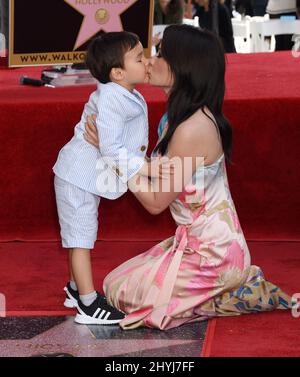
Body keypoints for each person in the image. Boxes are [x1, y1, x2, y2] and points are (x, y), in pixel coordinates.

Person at [84, 24, 291, 330]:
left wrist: (110, 154)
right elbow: (155, 176)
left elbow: (155, 202)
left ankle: (229, 292)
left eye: (160, 53)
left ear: (184, 67)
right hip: (196, 241)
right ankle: (225, 290)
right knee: (115, 281)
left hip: (214, 254)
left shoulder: (191, 128)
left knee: (120, 292)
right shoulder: (177, 117)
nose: (149, 61)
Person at [53, 32, 172, 325]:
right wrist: (145, 168)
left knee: (78, 234)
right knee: (80, 238)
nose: (146, 62)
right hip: (77, 177)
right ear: (117, 72)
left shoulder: (123, 91)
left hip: (84, 176)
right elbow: (110, 147)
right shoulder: (111, 97)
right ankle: (88, 303)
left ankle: (73, 288)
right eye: (139, 58)